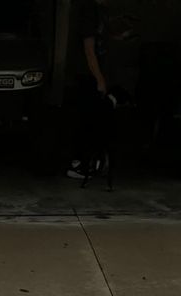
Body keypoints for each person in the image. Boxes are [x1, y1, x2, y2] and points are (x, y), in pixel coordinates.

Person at [66, 0, 114, 181]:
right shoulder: (88, 10)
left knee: (92, 121)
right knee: (86, 122)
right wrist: (99, 78)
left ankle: (85, 162)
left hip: (95, 74)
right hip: (88, 77)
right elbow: (89, 49)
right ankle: (78, 163)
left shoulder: (102, 10)